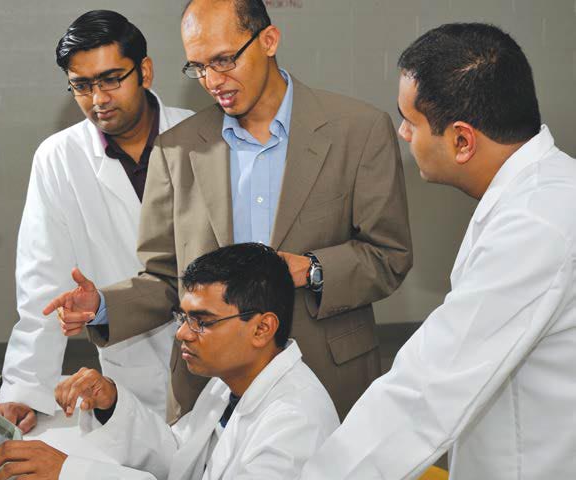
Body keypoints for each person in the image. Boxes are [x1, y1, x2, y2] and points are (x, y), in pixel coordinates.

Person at [46, 0, 412, 422]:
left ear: (269, 40)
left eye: (223, 60)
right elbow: (166, 277)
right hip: (210, 388)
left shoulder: (358, 129)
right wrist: (104, 305)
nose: (212, 80)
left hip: (328, 374)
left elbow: (389, 255)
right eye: (198, 67)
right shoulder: (176, 148)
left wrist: (310, 270)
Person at [301, 23, 576, 480]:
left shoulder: (536, 224)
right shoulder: (545, 190)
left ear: (462, 140)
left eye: (411, 120)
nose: (403, 134)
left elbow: (426, 390)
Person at [0, 10, 192, 433]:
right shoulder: (59, 157)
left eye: (110, 79)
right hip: (130, 370)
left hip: (216, 362)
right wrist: (25, 387)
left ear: (145, 71)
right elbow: (43, 281)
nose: (97, 98)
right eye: (82, 85)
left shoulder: (202, 136)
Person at [0, 243, 339, 480]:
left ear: (262, 328)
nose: (182, 334)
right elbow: (179, 457)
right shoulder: (228, 385)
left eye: (202, 321)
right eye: (183, 318)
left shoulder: (296, 422)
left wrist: (71, 473)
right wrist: (111, 402)